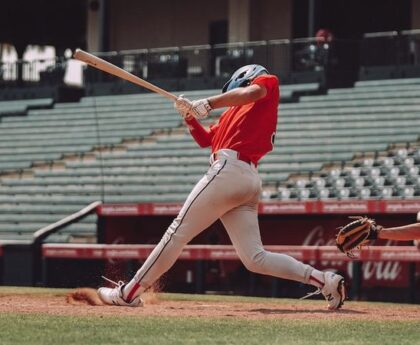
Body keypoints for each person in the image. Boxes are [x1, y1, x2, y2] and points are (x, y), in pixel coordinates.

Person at [97, 64, 346, 310]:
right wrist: (188, 116)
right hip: (245, 179)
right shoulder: (233, 114)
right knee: (255, 258)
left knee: (177, 232)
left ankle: (128, 293)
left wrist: (208, 103)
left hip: (230, 172)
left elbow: (251, 93)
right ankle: (324, 280)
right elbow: (206, 140)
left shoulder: (266, 82)